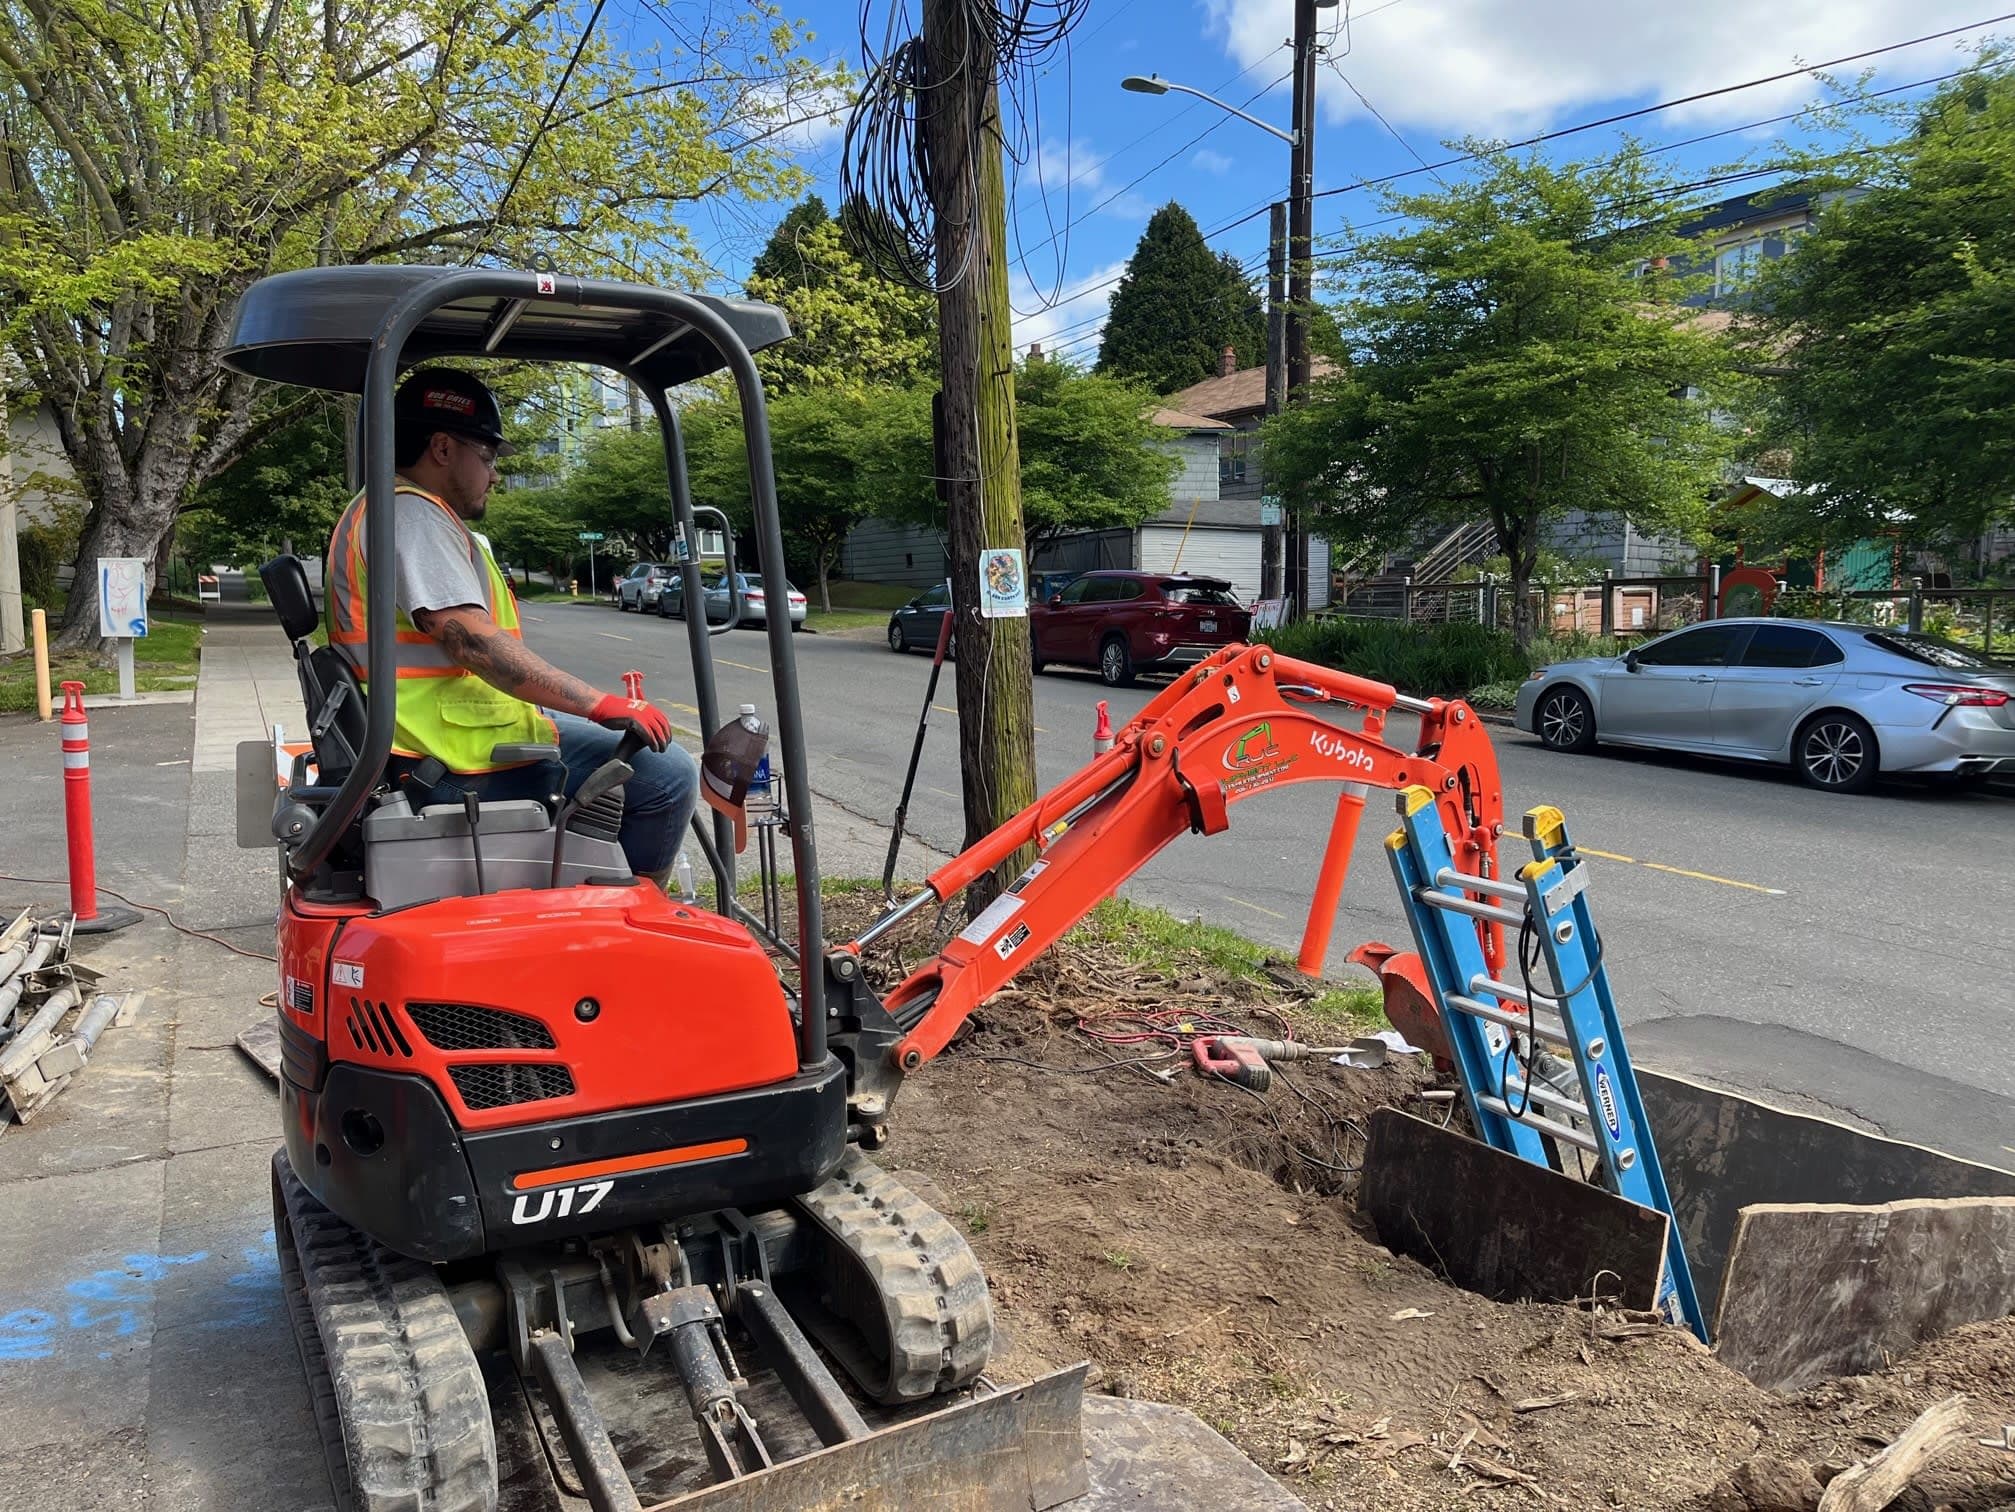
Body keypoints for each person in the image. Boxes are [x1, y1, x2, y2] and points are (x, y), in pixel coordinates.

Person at [325, 368, 697, 887]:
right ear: (441, 447)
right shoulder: (411, 515)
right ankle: (629, 923)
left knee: (632, 761)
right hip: (446, 763)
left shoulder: (385, 507)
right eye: (488, 457)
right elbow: (473, 641)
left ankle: (597, 893)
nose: (495, 475)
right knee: (668, 775)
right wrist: (599, 704)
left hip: (439, 741)